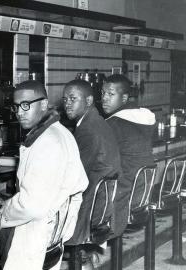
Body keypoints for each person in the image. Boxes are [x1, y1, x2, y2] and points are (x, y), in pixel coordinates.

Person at [1, 80, 88, 270]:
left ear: (43, 104)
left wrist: (2, 212)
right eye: (16, 107)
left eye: (26, 105)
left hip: (35, 236)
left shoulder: (47, 143)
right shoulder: (61, 132)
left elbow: (31, 207)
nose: (20, 112)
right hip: (53, 234)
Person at [62, 80, 121, 246]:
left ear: (88, 101)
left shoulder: (88, 130)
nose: (67, 104)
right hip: (102, 203)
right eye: (65, 99)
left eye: (73, 99)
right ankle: (86, 259)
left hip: (90, 208)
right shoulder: (96, 121)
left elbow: (75, 176)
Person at [101, 74, 156, 237]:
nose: (104, 99)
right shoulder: (143, 118)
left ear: (124, 97)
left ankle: (84, 252)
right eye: (102, 93)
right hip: (142, 192)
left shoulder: (113, 124)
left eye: (110, 94)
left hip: (123, 196)